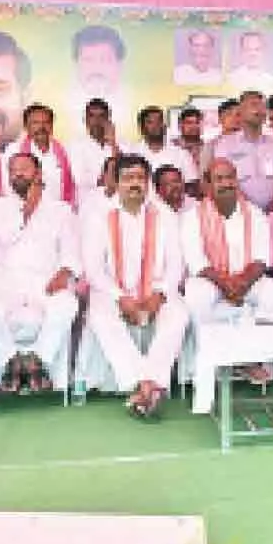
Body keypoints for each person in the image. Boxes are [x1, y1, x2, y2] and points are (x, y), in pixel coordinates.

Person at [81, 155, 189, 418]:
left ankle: (147, 384)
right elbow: (94, 269)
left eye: (140, 178)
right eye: (128, 178)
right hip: (113, 291)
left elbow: (177, 263)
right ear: (116, 182)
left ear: (148, 183)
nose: (135, 184)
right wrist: (121, 298)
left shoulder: (164, 214)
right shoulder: (98, 216)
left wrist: (160, 294)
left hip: (156, 290)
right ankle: (145, 383)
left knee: (178, 315)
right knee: (102, 317)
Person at [0, 152, 80, 394]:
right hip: (4, 280)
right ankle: (10, 361)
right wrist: (29, 208)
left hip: (45, 279)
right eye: (13, 170)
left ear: (39, 174)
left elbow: (72, 250)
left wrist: (65, 271)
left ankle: (37, 361)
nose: (19, 174)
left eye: (24, 169)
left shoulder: (61, 210)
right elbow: (7, 235)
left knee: (66, 305)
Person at [181, 159, 273, 383]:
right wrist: (226, 284)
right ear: (207, 184)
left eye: (230, 177)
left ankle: (251, 357)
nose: (226, 183)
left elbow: (262, 258)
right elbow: (196, 261)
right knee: (195, 294)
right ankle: (211, 357)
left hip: (247, 280)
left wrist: (242, 284)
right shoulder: (192, 217)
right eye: (219, 179)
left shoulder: (255, 214)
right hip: (211, 281)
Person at [210, 91, 273, 213]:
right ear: (240, 112)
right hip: (237, 214)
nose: (259, 110)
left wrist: (271, 209)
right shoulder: (224, 145)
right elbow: (222, 183)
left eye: (262, 106)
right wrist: (249, 210)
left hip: (272, 213)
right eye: (253, 105)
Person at [3, 103, 77, 209]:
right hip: (25, 211)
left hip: (60, 212)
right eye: (35, 123)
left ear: (51, 126)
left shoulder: (66, 150)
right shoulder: (14, 151)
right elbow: (7, 187)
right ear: (26, 126)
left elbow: (75, 186)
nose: (41, 127)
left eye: (46, 122)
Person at [67, 25, 130, 128]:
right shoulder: (64, 106)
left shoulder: (129, 105)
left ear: (119, 65)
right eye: (88, 60)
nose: (96, 68)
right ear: (76, 64)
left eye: (105, 60)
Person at [68, 98, 128, 202]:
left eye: (101, 116)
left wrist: (113, 144)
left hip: (118, 203)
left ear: (109, 119)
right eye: (92, 116)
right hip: (89, 205)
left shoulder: (123, 144)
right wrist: (110, 178)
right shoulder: (74, 145)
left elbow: (127, 171)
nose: (97, 121)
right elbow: (80, 179)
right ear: (85, 120)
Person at [135, 106, 200, 196]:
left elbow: (192, 186)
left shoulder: (181, 153)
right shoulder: (133, 153)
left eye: (159, 121)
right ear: (141, 127)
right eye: (150, 122)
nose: (156, 126)